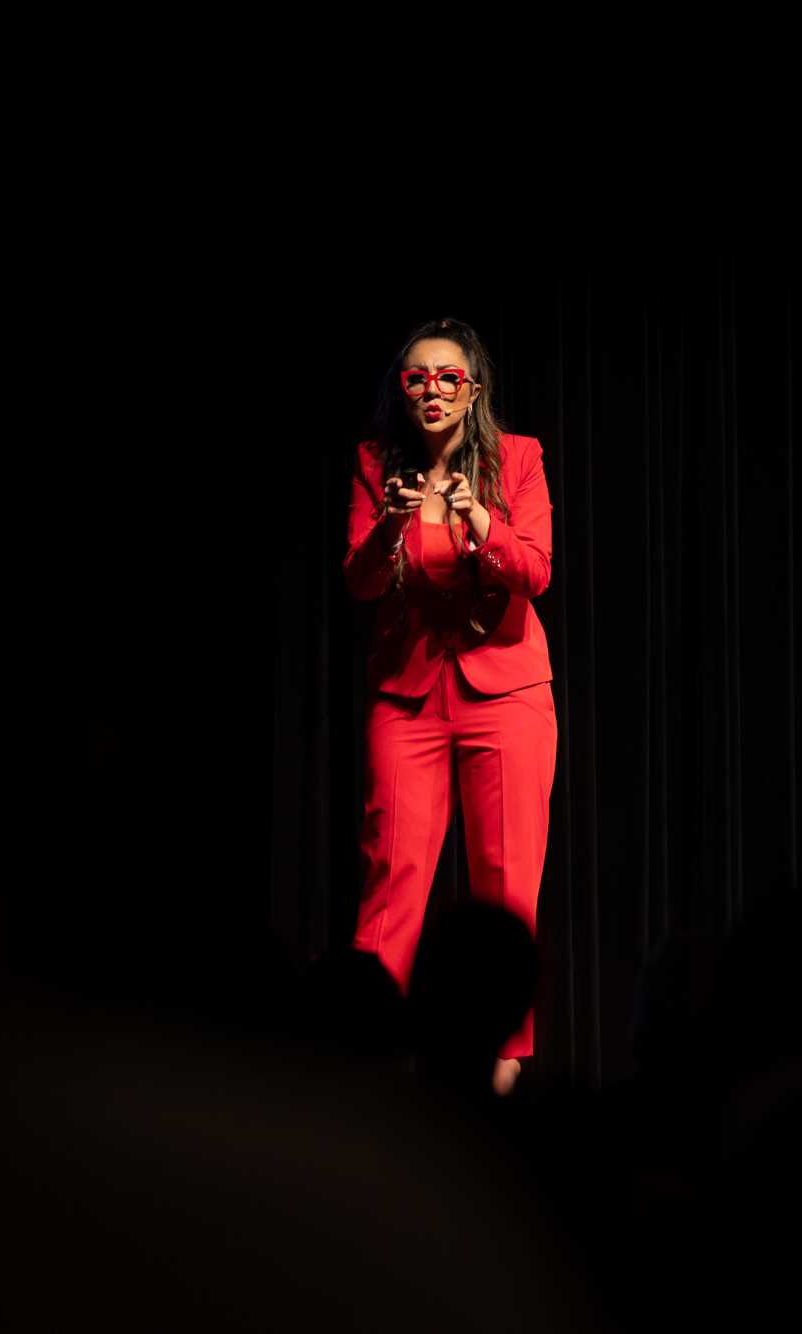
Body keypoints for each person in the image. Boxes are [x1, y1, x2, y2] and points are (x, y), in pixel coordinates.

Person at [342, 317, 557, 1098]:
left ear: (473, 391)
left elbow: (534, 572)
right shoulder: (375, 465)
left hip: (506, 696)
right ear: (401, 392)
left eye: (447, 378)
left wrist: (476, 519)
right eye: (416, 379)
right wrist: (397, 521)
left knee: (506, 890)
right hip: (407, 700)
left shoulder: (517, 460)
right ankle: (371, 1059)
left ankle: (501, 1071)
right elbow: (362, 582)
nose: (431, 391)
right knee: (390, 882)